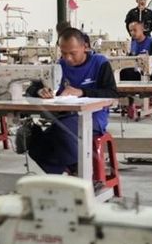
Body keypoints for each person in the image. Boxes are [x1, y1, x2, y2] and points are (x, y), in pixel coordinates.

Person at [26, 28, 118, 175]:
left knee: (61, 131)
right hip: (66, 116)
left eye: (72, 53)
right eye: (63, 53)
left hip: (94, 117)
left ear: (85, 47)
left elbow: (111, 93)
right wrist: (40, 91)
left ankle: (82, 172)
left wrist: (82, 92)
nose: (67, 58)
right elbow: (33, 87)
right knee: (35, 142)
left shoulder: (100, 63)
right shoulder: (60, 65)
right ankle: (69, 171)